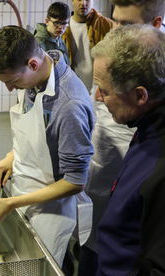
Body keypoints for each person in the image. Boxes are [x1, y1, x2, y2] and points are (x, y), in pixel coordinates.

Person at [0, 25, 94, 267]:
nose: (10, 89)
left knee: (44, 267)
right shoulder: (36, 79)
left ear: (33, 64)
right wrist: (13, 155)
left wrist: (11, 203)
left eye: (12, 81)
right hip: (27, 193)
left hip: (52, 211)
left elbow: (75, 181)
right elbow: (40, 134)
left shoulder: (69, 105)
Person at [78, 1, 165, 274]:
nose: (97, 97)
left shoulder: (159, 165)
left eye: (104, 90)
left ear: (140, 95)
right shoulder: (145, 123)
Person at [62, 0, 113, 93]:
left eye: (88, 0)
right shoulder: (63, 27)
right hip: (72, 86)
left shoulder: (106, 25)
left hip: (99, 87)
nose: (83, 3)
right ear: (72, 1)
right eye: (79, 0)